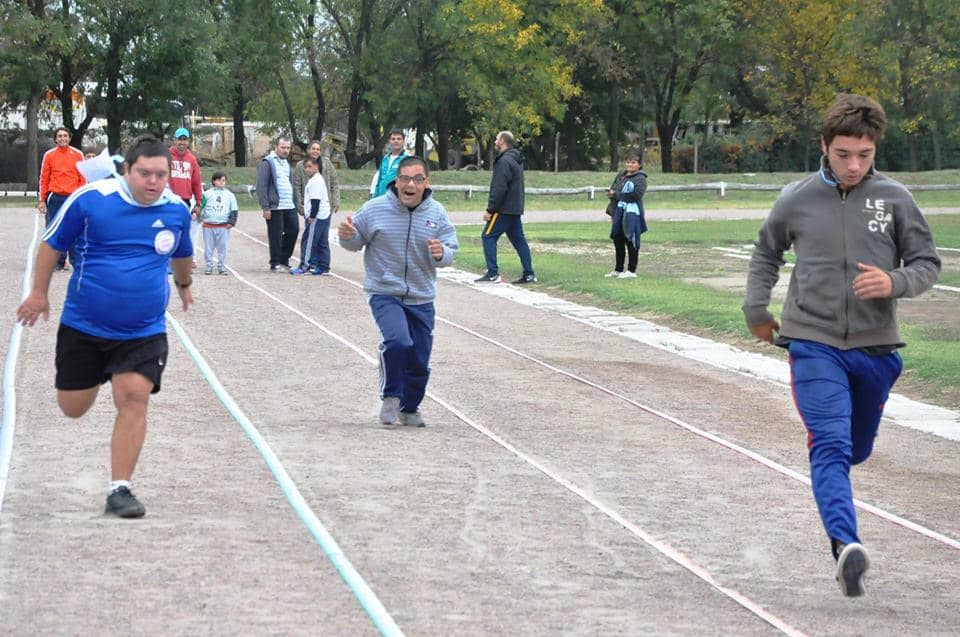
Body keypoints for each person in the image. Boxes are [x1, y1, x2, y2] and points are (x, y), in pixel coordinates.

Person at [742, 93, 941, 597]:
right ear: (824, 146)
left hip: (876, 351)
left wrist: (894, 282)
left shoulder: (895, 199)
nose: (854, 166)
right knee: (829, 445)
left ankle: (839, 508)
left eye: (864, 156)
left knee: (854, 448)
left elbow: (926, 263)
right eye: (843, 155)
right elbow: (766, 252)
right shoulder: (796, 197)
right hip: (812, 341)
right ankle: (845, 546)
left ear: (875, 151)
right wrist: (756, 311)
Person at [16, 135, 195, 519]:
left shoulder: (176, 210)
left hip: (143, 330)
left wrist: (184, 286)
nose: (152, 181)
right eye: (144, 173)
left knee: (134, 397)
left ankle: (120, 488)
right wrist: (38, 293)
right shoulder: (92, 201)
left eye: (160, 175)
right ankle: (95, 375)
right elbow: (51, 245)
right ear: (126, 170)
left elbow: (182, 254)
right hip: (85, 325)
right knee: (73, 407)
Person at [338, 156, 458, 427]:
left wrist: (442, 253)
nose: (410, 184)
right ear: (396, 181)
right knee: (398, 342)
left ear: (426, 183)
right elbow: (355, 241)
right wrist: (347, 236)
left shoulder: (437, 213)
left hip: (422, 296)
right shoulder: (375, 208)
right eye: (404, 178)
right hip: (385, 292)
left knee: (419, 358)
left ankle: (410, 407)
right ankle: (391, 395)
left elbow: (450, 248)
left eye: (417, 179)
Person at [474, 131, 536, 284]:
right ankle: (529, 274)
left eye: (496, 139)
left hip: (503, 209)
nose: (495, 141)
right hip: (515, 209)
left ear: (502, 141)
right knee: (519, 241)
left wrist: (490, 210)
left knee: (488, 236)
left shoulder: (504, 161)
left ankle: (493, 273)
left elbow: (499, 187)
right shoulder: (516, 160)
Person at [38, 126, 86, 271]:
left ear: (69, 138)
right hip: (55, 198)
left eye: (65, 136)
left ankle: (75, 261)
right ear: (55, 139)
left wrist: (80, 197)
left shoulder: (78, 154)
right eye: (59, 136)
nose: (62, 138)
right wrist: (42, 199)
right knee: (54, 230)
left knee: (74, 230)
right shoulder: (49, 155)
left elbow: (83, 177)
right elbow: (44, 178)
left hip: (72, 198)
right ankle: (58, 262)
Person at [256, 136, 299, 272]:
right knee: (276, 234)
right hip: (275, 206)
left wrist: (297, 202)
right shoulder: (267, 162)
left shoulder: (286, 163)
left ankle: (284, 259)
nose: (286, 150)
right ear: (276, 147)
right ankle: (275, 262)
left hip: (289, 205)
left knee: (294, 230)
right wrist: (266, 207)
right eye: (283, 147)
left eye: (288, 148)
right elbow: (261, 186)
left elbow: (290, 183)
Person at [604, 151, 648, 278]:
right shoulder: (621, 175)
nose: (630, 165)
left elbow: (635, 195)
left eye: (633, 162)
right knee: (618, 239)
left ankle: (631, 271)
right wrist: (612, 210)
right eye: (628, 162)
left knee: (630, 239)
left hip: (631, 213)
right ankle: (618, 269)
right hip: (618, 211)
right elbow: (614, 188)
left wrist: (616, 194)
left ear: (639, 165)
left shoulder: (640, 178)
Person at [290, 157, 332, 276]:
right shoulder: (315, 180)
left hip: (317, 216)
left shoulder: (316, 181)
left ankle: (305, 265)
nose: (307, 169)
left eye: (310, 166)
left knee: (309, 241)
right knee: (322, 242)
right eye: (305, 167)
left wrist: (312, 216)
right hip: (324, 215)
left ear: (316, 167)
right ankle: (324, 266)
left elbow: (315, 201)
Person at [169, 127, 203, 267]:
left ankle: (183, 258)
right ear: (174, 140)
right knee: (169, 229)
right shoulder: (167, 155)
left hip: (184, 200)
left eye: (184, 139)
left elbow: (196, 182)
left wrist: (198, 202)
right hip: (168, 199)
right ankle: (168, 258)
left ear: (188, 141)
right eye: (179, 139)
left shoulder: (192, 159)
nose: (182, 142)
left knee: (183, 231)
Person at [200, 171, 239, 275]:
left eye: (223, 180)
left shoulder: (230, 195)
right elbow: (201, 206)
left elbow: (234, 209)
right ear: (214, 181)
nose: (221, 182)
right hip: (208, 225)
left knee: (223, 247)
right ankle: (209, 265)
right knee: (208, 247)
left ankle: (221, 265)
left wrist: (232, 221)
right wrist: (200, 216)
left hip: (223, 226)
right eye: (219, 180)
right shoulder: (207, 194)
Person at [293, 138, 340, 218]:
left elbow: (334, 183)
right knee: (311, 229)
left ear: (320, 152)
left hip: (325, 206)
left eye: (318, 149)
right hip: (310, 206)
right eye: (313, 149)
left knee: (323, 229)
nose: (315, 151)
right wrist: (299, 204)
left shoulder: (327, 164)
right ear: (308, 150)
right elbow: (296, 186)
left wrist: (336, 202)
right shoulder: (300, 166)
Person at [369, 129, 410, 198]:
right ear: (389, 141)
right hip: (381, 198)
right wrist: (375, 198)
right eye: (393, 139)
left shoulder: (407, 159)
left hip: (397, 200)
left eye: (399, 139)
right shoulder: (385, 159)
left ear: (403, 142)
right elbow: (379, 181)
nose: (396, 141)